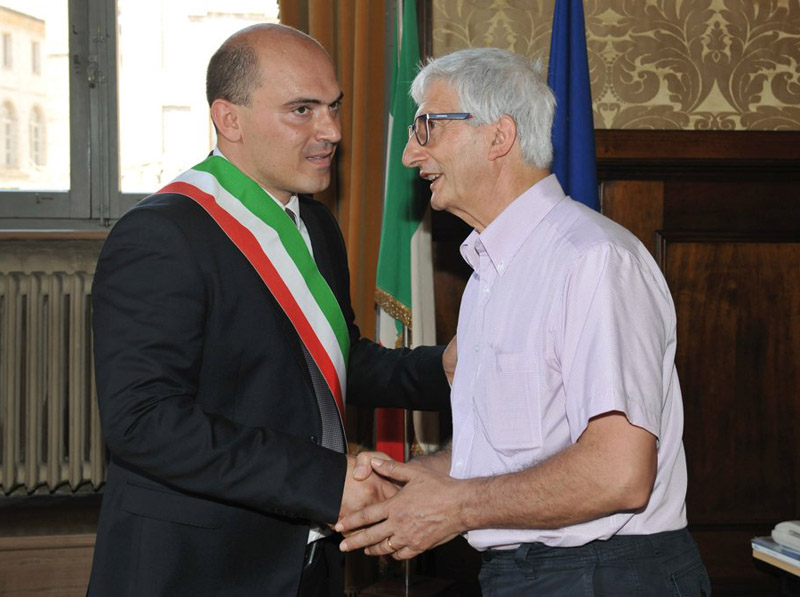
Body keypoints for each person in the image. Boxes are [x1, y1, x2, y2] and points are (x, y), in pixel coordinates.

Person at [88, 24, 454, 597]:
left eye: (333, 107)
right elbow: (144, 421)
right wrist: (326, 483)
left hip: (309, 561)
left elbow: (336, 360)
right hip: (197, 567)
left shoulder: (317, 225)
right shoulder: (161, 235)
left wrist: (445, 369)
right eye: (302, 110)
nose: (331, 131)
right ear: (229, 119)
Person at [336, 47, 711, 596]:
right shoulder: (489, 273)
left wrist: (456, 507)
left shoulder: (593, 260)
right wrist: (419, 483)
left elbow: (619, 474)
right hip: (532, 574)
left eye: (428, 128)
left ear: (499, 136)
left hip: (605, 575)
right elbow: (514, 451)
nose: (411, 155)